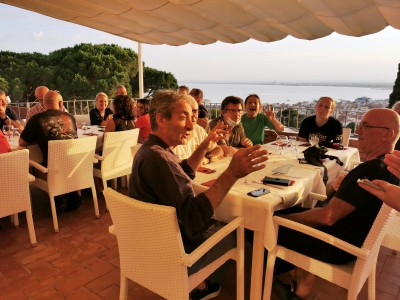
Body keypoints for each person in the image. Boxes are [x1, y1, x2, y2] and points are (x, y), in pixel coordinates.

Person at [129, 90, 268, 300]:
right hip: (176, 256)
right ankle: (202, 286)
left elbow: (179, 174)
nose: (191, 126)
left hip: (151, 246)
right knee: (238, 230)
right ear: (161, 119)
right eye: (183, 117)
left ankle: (202, 282)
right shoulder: (159, 159)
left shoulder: (152, 150)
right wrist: (232, 173)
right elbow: (194, 216)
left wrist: (204, 147)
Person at [267, 108, 400, 298]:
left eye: (365, 126)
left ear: (388, 134)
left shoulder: (372, 170)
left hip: (333, 245)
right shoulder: (389, 168)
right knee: (284, 211)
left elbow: (327, 217)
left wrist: (276, 220)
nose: (358, 131)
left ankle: (284, 284)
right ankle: (300, 273)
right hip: (351, 239)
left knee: (257, 223)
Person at [19, 90, 81, 212]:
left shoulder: (37, 119)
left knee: (43, 163)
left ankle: (59, 198)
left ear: (44, 104)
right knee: (62, 162)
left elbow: (22, 142)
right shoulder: (70, 118)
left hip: (53, 168)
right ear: (61, 103)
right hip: (73, 165)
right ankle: (71, 195)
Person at [173, 95, 224, 164]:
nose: (193, 116)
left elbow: (219, 150)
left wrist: (206, 159)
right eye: (186, 113)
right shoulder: (169, 135)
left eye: (195, 111)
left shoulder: (198, 130)